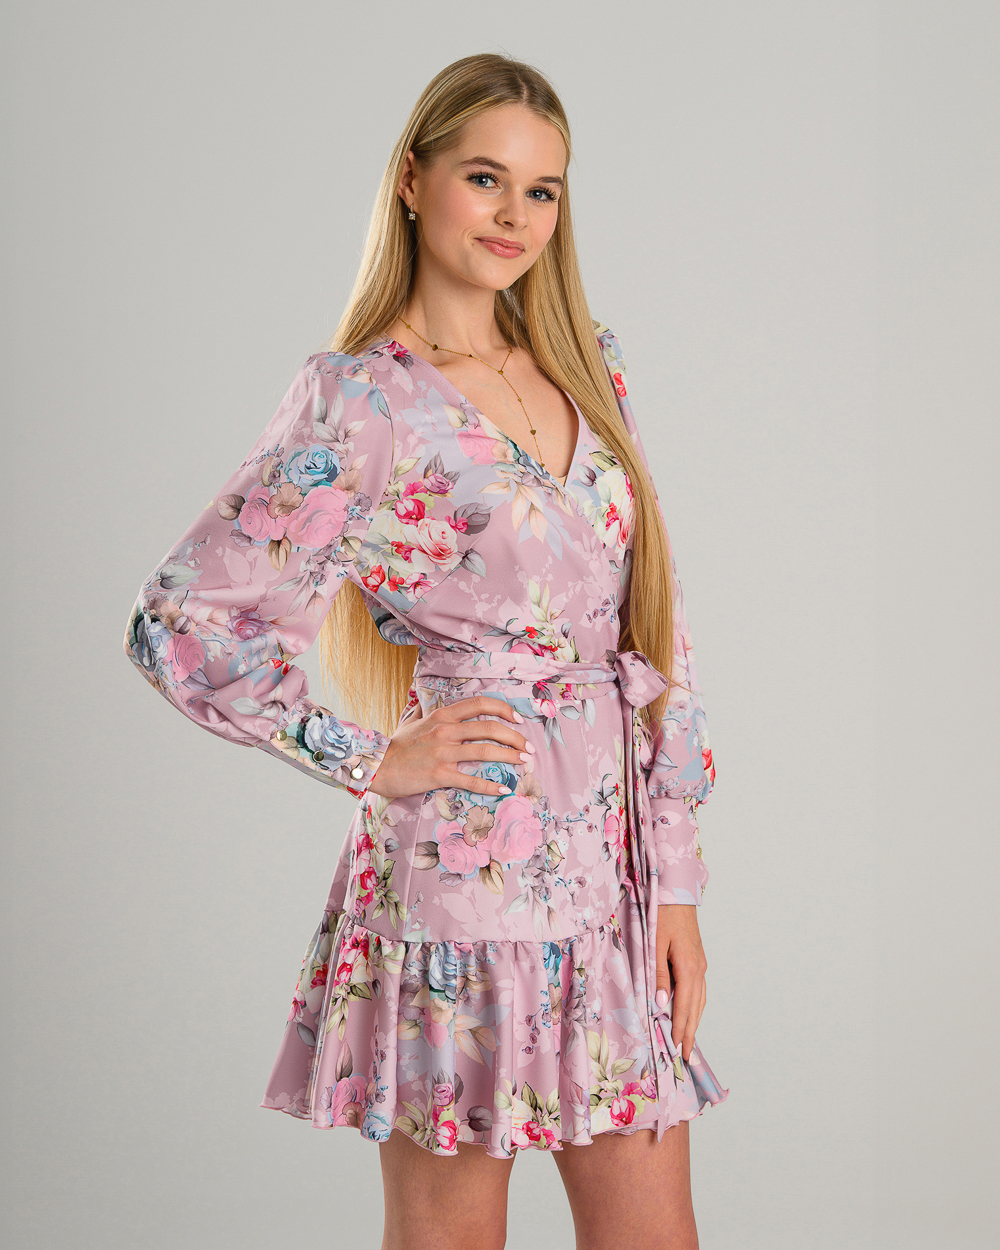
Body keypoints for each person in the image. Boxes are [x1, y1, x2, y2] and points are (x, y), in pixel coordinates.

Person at [124, 51, 728, 1250]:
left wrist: (676, 881)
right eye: (484, 178)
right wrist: (368, 757)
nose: (514, 216)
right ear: (412, 180)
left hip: (611, 872)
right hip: (464, 868)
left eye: (542, 190)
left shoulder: (590, 365)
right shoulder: (362, 402)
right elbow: (179, 621)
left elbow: (655, 628)